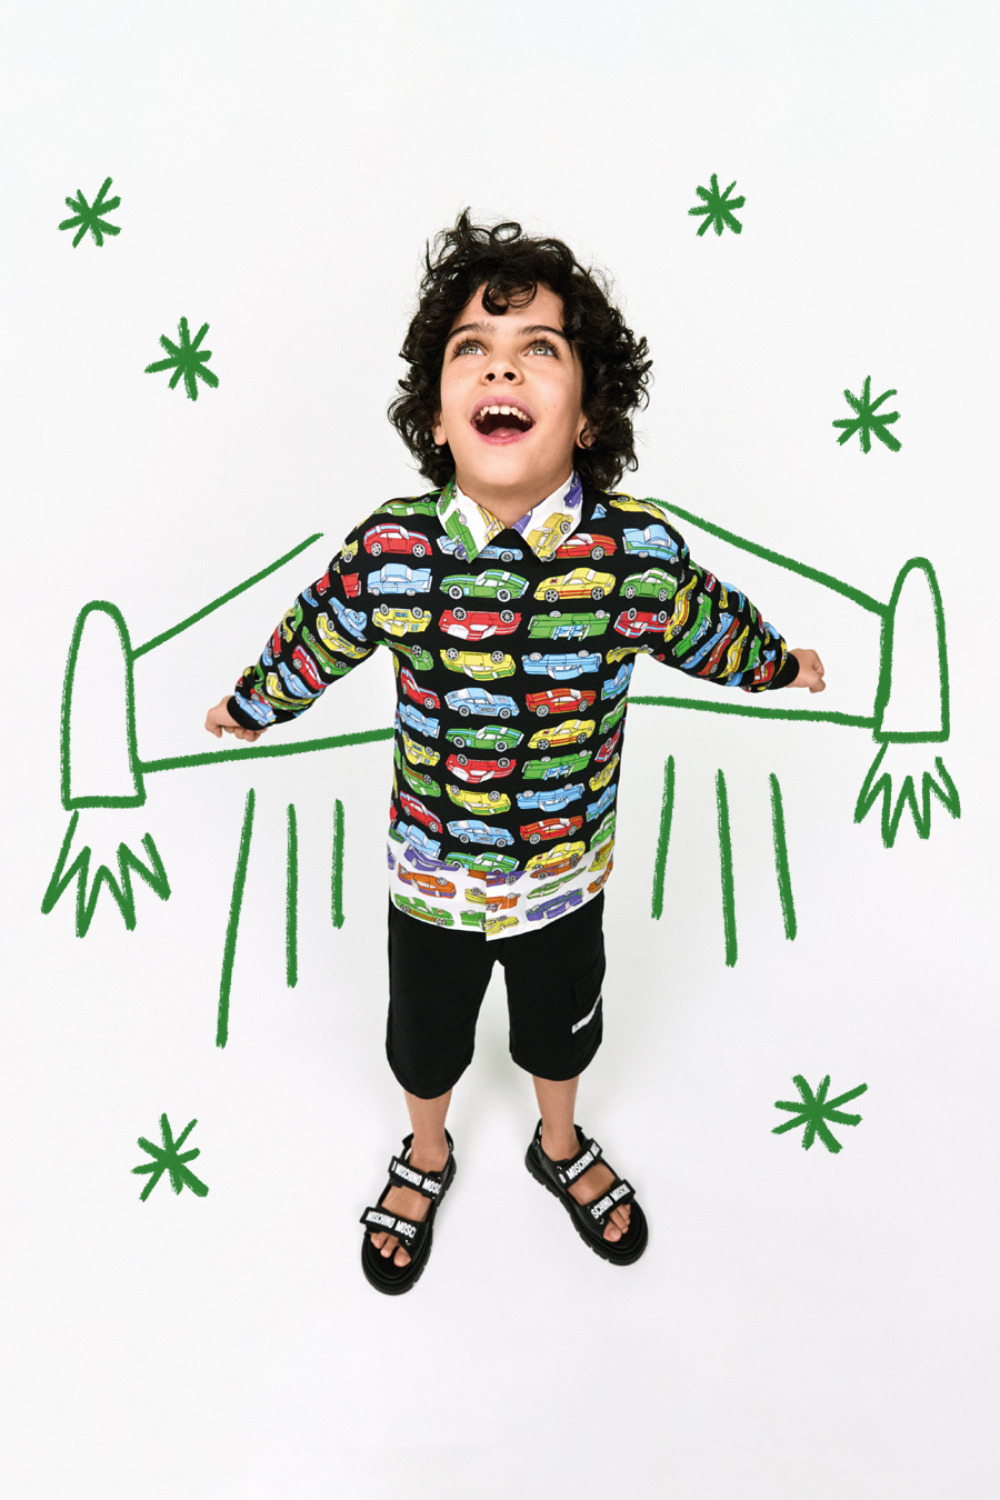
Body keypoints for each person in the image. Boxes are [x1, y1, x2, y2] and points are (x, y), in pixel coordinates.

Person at [205, 209, 826, 1294]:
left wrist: (777, 664)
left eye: (539, 349)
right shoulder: (391, 548)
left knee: (561, 1033)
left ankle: (558, 1142)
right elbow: (319, 631)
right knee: (424, 1041)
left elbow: (708, 622)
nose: (502, 367)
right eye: (473, 350)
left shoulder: (633, 554)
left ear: (587, 417)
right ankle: (426, 1151)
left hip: (563, 872)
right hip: (432, 875)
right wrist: (256, 703)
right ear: (438, 416)